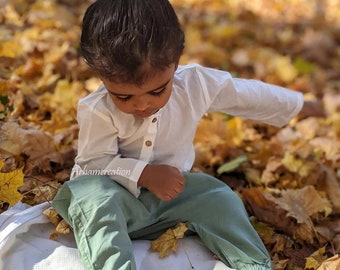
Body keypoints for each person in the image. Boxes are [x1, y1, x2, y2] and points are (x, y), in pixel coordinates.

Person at [52, 0, 304, 269]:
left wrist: (300, 105)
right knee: (92, 197)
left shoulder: (195, 85)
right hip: (114, 201)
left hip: (169, 201)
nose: (141, 105)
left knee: (217, 195)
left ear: (175, 63)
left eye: (157, 91)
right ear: (101, 76)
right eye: (123, 96)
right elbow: (93, 164)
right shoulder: (97, 110)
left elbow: (247, 95)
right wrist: (145, 174)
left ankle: (253, 264)